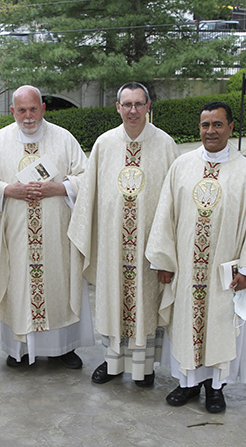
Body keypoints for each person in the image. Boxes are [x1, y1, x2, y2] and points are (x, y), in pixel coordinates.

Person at [146, 101, 246, 413]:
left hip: (224, 272)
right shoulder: (183, 165)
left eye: (218, 124)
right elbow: (166, 214)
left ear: (231, 128)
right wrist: (163, 261)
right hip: (187, 270)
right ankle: (187, 384)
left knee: (219, 329)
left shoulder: (245, 171)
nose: (211, 131)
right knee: (184, 325)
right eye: (205, 125)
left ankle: (215, 388)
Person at [68, 82, 178, 387]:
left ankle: (145, 369)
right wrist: (88, 241)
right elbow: (89, 196)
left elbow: (174, 203)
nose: (133, 111)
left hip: (148, 247)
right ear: (118, 107)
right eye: (126, 104)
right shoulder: (104, 144)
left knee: (144, 304)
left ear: (148, 107)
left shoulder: (166, 144)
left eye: (139, 104)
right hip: (112, 245)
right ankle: (112, 363)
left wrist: (167, 252)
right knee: (113, 301)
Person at [0, 85, 92, 370]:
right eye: (22, 110)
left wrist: (60, 187)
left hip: (56, 235)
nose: (28, 116)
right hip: (16, 234)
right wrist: (8, 190)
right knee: (18, 285)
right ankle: (17, 349)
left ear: (43, 108)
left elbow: (88, 176)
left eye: (33, 109)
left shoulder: (64, 139)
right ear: (13, 112)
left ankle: (62, 348)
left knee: (58, 283)